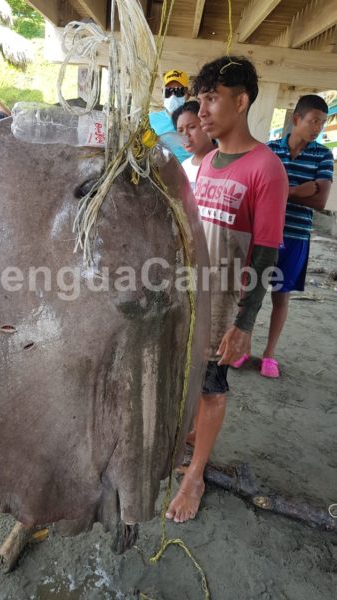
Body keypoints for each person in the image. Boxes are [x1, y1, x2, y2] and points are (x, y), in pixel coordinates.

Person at [165, 56, 288, 523]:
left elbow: (266, 252)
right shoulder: (210, 162)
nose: (203, 111)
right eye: (201, 100)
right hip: (193, 295)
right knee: (192, 379)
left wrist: (244, 323)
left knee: (213, 388)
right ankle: (194, 437)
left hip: (225, 306)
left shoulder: (266, 168)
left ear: (241, 101)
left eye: (212, 99)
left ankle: (195, 477)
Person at [233, 95, 334, 377]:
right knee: (249, 292)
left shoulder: (323, 155)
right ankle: (243, 348)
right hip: (263, 234)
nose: (318, 128)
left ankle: (269, 355)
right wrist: (298, 190)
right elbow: (255, 192)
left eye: (322, 123)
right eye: (314, 121)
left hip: (295, 236)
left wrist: (279, 191)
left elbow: (320, 201)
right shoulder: (269, 150)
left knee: (281, 296)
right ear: (296, 119)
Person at [171, 101, 216, 191]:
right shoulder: (184, 167)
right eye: (180, 130)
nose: (185, 135)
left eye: (191, 127)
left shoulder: (224, 160)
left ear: (206, 125)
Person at [149, 69, 191, 163]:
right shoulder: (150, 120)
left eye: (178, 91)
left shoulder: (198, 119)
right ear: (162, 93)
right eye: (168, 92)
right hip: (162, 170)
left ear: (187, 95)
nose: (173, 96)